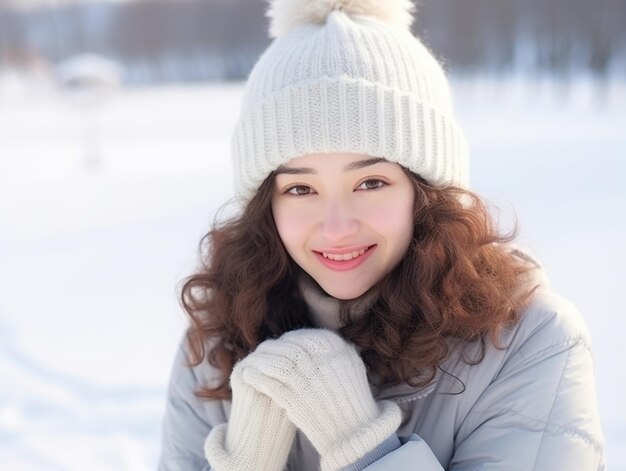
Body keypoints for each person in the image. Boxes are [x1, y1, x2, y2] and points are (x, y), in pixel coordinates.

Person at [158, 0, 605, 469]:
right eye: (300, 188)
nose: (336, 226)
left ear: (427, 191)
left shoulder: (527, 343)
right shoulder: (216, 343)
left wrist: (364, 450)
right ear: (264, 204)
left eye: (370, 183)